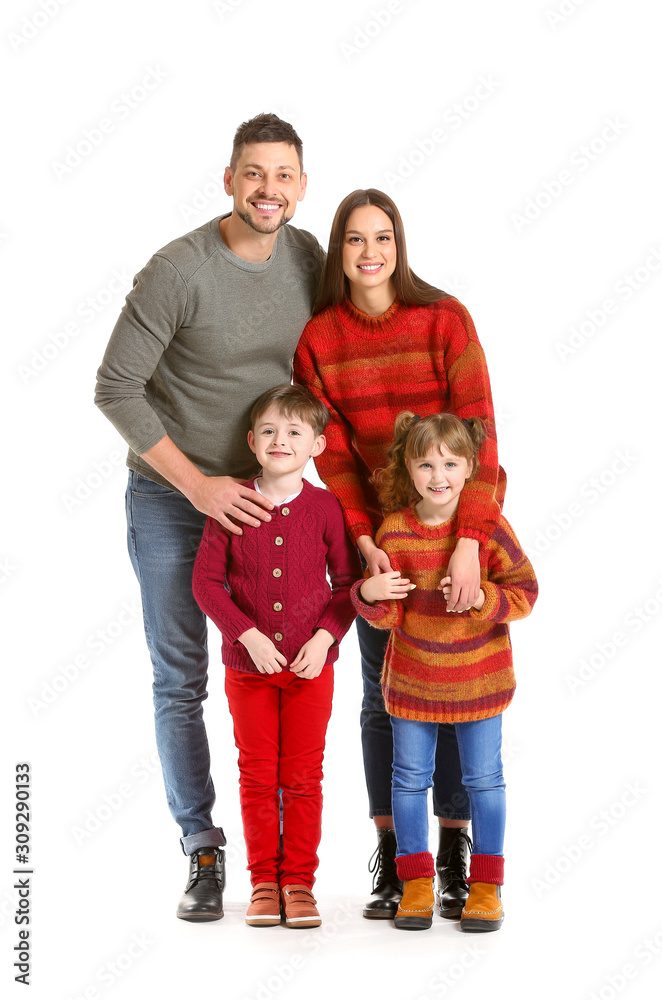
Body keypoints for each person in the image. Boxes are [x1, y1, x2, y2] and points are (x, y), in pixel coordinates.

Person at [94, 113, 326, 920]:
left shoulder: (305, 256)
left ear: (301, 185)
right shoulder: (177, 270)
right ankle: (203, 848)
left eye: (285, 176)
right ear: (228, 180)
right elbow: (114, 388)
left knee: (291, 664)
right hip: (173, 498)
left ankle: (287, 861)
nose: (270, 190)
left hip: (270, 501)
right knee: (181, 677)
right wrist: (198, 489)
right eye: (254, 174)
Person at [293, 189, 507, 919]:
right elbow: (337, 457)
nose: (370, 252)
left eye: (382, 237)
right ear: (339, 251)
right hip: (383, 542)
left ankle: (453, 847)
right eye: (354, 240)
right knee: (383, 698)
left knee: (458, 691)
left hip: (455, 527)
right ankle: (396, 850)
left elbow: (481, 440)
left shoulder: (444, 321)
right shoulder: (320, 340)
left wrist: (472, 543)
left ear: (399, 244)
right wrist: (362, 543)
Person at [351, 411, 537, 930]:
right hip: (412, 684)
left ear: (470, 467)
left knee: (485, 781)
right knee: (409, 781)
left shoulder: (489, 532)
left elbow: (526, 593)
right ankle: (414, 882)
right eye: (425, 464)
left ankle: (485, 887)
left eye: (451, 464)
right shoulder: (396, 531)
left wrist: (484, 597)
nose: (438, 476)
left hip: (480, 682)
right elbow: (389, 616)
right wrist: (367, 595)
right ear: (406, 469)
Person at [192, 384, 360, 928]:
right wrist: (246, 635)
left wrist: (325, 638)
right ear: (251, 440)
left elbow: (348, 584)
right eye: (268, 430)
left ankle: (300, 885)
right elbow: (207, 585)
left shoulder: (326, 506)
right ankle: (264, 881)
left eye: (293, 431)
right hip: (249, 672)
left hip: (313, 670)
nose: (279, 439)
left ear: (317, 444)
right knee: (258, 775)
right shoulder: (231, 502)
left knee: (304, 776)